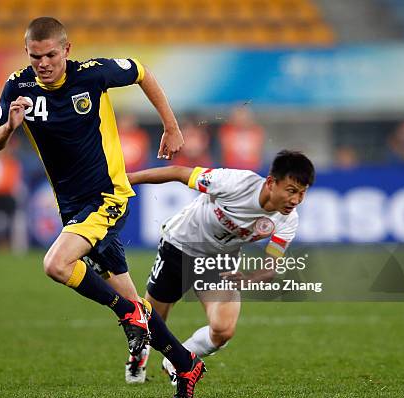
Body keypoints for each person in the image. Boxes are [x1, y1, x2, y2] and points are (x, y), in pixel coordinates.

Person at [0, 17, 205, 398]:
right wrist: (10, 128)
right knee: (137, 304)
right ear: (28, 54)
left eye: (51, 54)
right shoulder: (17, 86)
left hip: (107, 198)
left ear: (66, 50)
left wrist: (170, 126)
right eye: (36, 56)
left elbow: (142, 72)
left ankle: (125, 313)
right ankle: (186, 363)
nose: (44, 63)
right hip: (72, 209)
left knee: (56, 264)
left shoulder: (93, 74)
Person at [125, 150, 315, 383]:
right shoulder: (235, 183)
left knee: (223, 329)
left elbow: (270, 267)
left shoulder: (288, 219)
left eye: (302, 194)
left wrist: (248, 279)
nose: (295, 200)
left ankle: (177, 360)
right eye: (291, 191)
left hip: (218, 263)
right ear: (271, 182)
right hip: (180, 245)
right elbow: (178, 172)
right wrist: (129, 179)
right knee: (150, 322)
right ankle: (137, 358)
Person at [218, 105, 265, 171]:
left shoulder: (256, 131)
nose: (241, 119)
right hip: (233, 168)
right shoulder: (226, 131)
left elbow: (255, 153)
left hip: (252, 169)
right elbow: (228, 151)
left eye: (244, 116)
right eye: (239, 116)